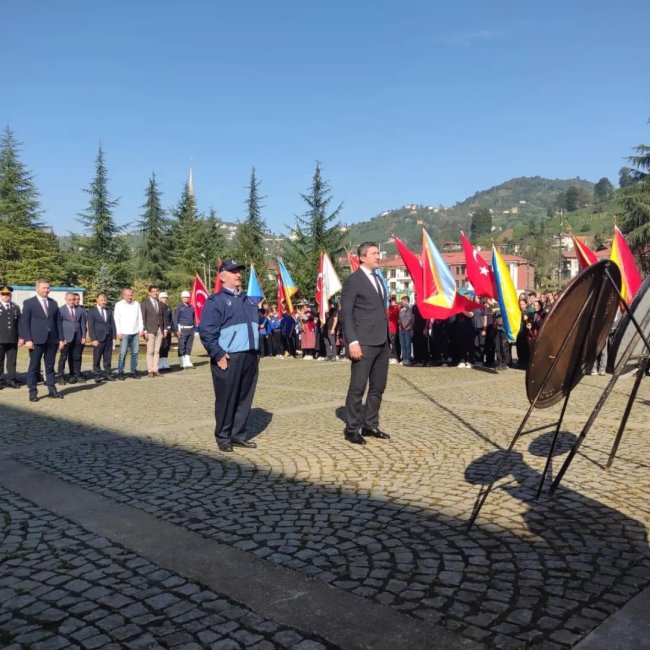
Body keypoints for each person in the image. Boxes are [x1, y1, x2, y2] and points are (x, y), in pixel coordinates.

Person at [200, 259, 260, 452]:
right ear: (222, 276)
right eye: (233, 271)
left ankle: (238, 434)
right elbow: (206, 332)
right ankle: (223, 436)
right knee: (226, 398)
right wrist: (218, 354)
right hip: (228, 357)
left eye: (239, 271)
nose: (238, 274)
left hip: (250, 356)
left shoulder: (248, 300)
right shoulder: (215, 301)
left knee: (244, 398)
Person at [341, 242, 391, 445]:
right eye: (374, 253)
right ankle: (352, 428)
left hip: (382, 341)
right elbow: (346, 314)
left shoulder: (379, 279)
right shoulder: (354, 281)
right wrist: (352, 341)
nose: (378, 256)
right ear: (362, 257)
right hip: (363, 342)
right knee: (358, 387)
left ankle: (370, 424)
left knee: (378, 387)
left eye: (378, 253)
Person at [19, 278, 65, 401]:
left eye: (48, 288)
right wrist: (27, 339)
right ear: (37, 288)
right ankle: (32, 391)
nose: (46, 290)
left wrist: (61, 339)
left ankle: (52, 389)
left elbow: (58, 323)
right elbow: (25, 322)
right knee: (34, 367)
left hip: (52, 340)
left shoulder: (54, 303)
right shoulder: (29, 303)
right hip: (36, 340)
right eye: (44, 288)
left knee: (50, 366)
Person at [57, 291, 88, 383]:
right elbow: (58, 325)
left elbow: (82, 324)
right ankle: (60, 376)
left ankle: (76, 375)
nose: (71, 301)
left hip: (78, 337)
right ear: (66, 299)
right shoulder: (61, 310)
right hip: (66, 338)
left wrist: (83, 336)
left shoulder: (80, 310)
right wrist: (61, 339)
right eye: (69, 300)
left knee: (77, 357)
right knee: (63, 357)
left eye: (73, 300)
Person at [114, 287, 144, 380]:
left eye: (131, 295)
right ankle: (120, 372)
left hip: (135, 332)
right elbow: (116, 319)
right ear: (123, 295)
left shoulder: (136, 304)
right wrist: (118, 332)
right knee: (123, 353)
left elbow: (140, 317)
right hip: (124, 333)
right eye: (127, 295)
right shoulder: (119, 305)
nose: (129, 297)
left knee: (135, 353)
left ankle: (133, 371)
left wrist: (141, 329)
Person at [87, 292, 117, 383]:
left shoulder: (108, 310)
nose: (103, 302)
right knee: (97, 357)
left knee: (108, 357)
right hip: (98, 338)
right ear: (97, 300)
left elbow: (112, 324)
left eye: (104, 300)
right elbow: (91, 326)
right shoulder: (92, 311)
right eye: (101, 300)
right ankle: (97, 374)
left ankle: (107, 373)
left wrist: (114, 337)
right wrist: (93, 339)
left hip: (108, 337)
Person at [141, 285, 167, 378]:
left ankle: (156, 369)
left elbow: (164, 317)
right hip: (150, 329)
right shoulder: (144, 303)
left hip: (159, 329)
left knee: (157, 351)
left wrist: (165, 329)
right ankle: (150, 370)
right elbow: (143, 318)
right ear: (149, 292)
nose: (155, 293)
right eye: (153, 291)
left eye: (156, 291)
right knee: (150, 351)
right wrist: (144, 330)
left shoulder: (160, 304)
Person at [0, 285, 22, 389]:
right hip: (0, 339)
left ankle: (11, 379)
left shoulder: (15, 307)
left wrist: (21, 337)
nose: (6, 296)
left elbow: (20, 324)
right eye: (3, 294)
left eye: (8, 294)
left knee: (12, 361)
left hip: (13, 338)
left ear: (11, 295)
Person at [174, 290, 196, 369]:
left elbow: (194, 318)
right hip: (182, 329)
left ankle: (187, 361)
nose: (186, 298)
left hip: (191, 329)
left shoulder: (191, 307)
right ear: (182, 298)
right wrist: (176, 330)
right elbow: (175, 319)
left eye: (187, 297)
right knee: (182, 346)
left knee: (189, 346)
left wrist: (194, 328)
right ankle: (182, 362)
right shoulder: (179, 307)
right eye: (184, 297)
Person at [157, 291, 174, 372]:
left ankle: (165, 363)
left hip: (168, 330)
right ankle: (160, 364)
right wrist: (163, 329)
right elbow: (161, 319)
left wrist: (171, 329)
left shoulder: (167, 307)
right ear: (160, 298)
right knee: (161, 347)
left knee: (166, 347)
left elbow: (170, 319)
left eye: (166, 298)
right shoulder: (159, 306)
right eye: (164, 297)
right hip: (162, 330)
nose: (165, 299)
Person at [398, 295, 413, 366]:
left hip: (407, 329)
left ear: (406, 301)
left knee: (407, 345)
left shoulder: (409, 308)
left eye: (403, 301)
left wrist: (405, 326)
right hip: (401, 329)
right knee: (403, 345)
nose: (402, 302)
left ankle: (408, 359)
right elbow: (399, 319)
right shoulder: (401, 309)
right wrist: (400, 323)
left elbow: (410, 318)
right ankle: (404, 359)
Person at [387, 295, 400, 364]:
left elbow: (394, 315)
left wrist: (394, 306)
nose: (391, 302)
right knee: (390, 343)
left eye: (392, 300)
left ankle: (396, 357)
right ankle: (391, 356)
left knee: (395, 343)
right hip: (389, 328)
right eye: (390, 301)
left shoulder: (396, 308)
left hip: (394, 328)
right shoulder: (389, 308)